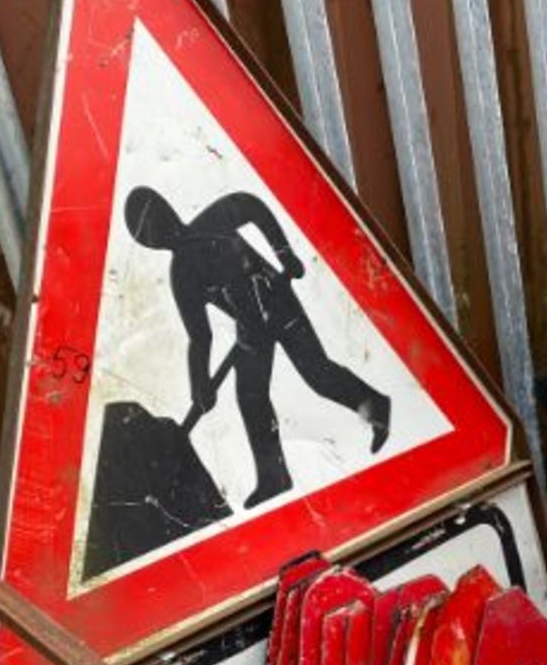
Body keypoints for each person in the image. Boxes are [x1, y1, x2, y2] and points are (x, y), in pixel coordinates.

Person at [124, 185, 392, 509]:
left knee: (317, 374)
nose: (158, 234)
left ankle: (375, 406)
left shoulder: (211, 221)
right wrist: (201, 385)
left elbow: (252, 207)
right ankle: (273, 477)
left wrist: (283, 253)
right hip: (249, 332)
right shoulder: (182, 274)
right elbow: (200, 336)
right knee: (251, 398)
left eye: (156, 223)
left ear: (168, 211)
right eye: (148, 235)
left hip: (279, 304)